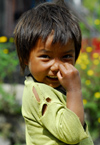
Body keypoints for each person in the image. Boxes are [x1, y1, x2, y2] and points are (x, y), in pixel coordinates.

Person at [14, 0, 94, 144]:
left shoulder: (50, 88)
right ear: (25, 57)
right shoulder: (39, 93)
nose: (56, 66)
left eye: (66, 56)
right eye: (45, 57)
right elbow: (73, 134)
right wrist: (74, 90)